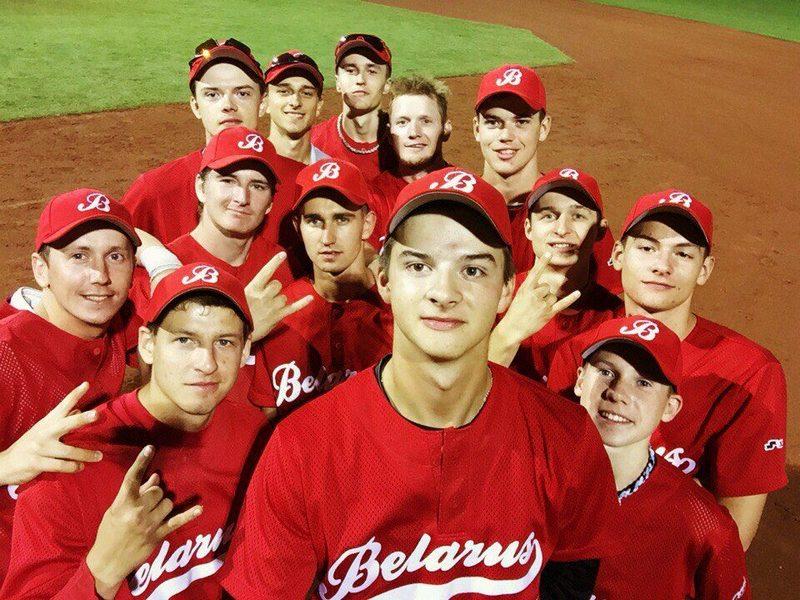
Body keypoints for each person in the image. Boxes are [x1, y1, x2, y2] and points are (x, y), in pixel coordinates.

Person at [220, 167, 620, 598]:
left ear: (507, 290)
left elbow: (571, 578)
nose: (443, 293)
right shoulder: (302, 447)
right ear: (385, 280)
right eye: (418, 265)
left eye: (472, 270)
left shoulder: (566, 437)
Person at [2, 264, 267, 599]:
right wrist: (102, 571)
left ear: (245, 350)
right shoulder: (73, 460)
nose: (207, 363)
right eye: (184, 340)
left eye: (224, 342)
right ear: (148, 344)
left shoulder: (257, 434)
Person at [547, 189, 787, 550]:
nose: (662, 266)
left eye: (683, 253)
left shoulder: (750, 372)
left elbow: (733, 535)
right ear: (618, 255)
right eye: (647, 248)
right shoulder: (579, 352)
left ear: (704, 270)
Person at [0, 189, 142, 582]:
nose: (100, 275)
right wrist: (4, 464)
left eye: (116, 256)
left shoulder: (120, 325)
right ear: (41, 269)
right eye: (79, 256)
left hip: (90, 562)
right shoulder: (6, 357)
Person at [572, 315, 750, 599]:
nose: (618, 393)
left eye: (643, 383)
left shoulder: (705, 525)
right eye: (606, 371)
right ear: (580, 380)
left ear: (670, 407)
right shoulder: (524, 477)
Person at [122, 38, 300, 246]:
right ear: (196, 106)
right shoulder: (154, 191)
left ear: (262, 103)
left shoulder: (301, 184)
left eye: (242, 93)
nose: (228, 105)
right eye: (212, 94)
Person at [252, 158, 392, 415]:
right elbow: (270, 419)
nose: (328, 238)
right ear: (298, 226)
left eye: (342, 219)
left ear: (367, 225)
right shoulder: (277, 314)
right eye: (315, 221)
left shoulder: (397, 309)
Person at [473, 64, 619, 292]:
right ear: (476, 129)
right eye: (493, 122)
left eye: (521, 122)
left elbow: (607, 301)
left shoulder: (573, 204)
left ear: (543, 127)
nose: (506, 136)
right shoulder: (458, 204)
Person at [488, 167, 622, 381]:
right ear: (528, 228)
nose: (561, 229)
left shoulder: (617, 318)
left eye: (578, 216)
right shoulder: (493, 298)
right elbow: (459, 390)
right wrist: (507, 334)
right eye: (548, 216)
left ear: (600, 231)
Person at [311, 33, 393, 180]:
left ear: (387, 85)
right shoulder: (313, 143)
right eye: (350, 70)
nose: (360, 80)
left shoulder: (406, 144)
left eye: (371, 71)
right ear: (337, 82)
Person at [371, 74, 452, 207]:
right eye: (402, 122)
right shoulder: (373, 197)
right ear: (389, 134)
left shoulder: (468, 189)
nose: (413, 133)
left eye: (425, 121)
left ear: (446, 129)